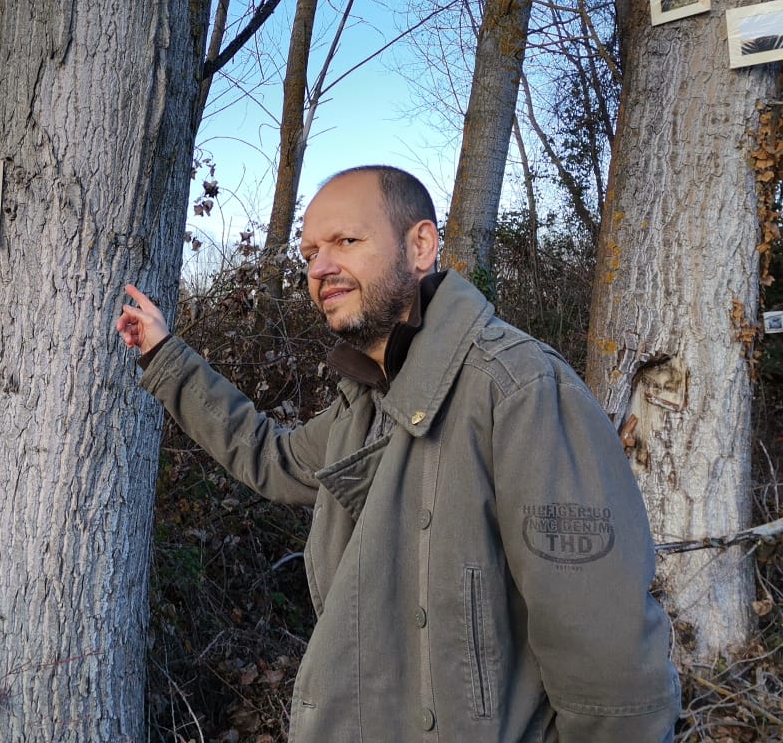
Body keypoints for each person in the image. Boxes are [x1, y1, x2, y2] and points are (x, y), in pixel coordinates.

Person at [115, 166, 680, 741]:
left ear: (421, 246)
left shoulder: (520, 388)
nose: (320, 268)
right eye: (310, 252)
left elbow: (608, 667)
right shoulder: (364, 398)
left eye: (347, 242)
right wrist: (165, 356)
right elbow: (273, 457)